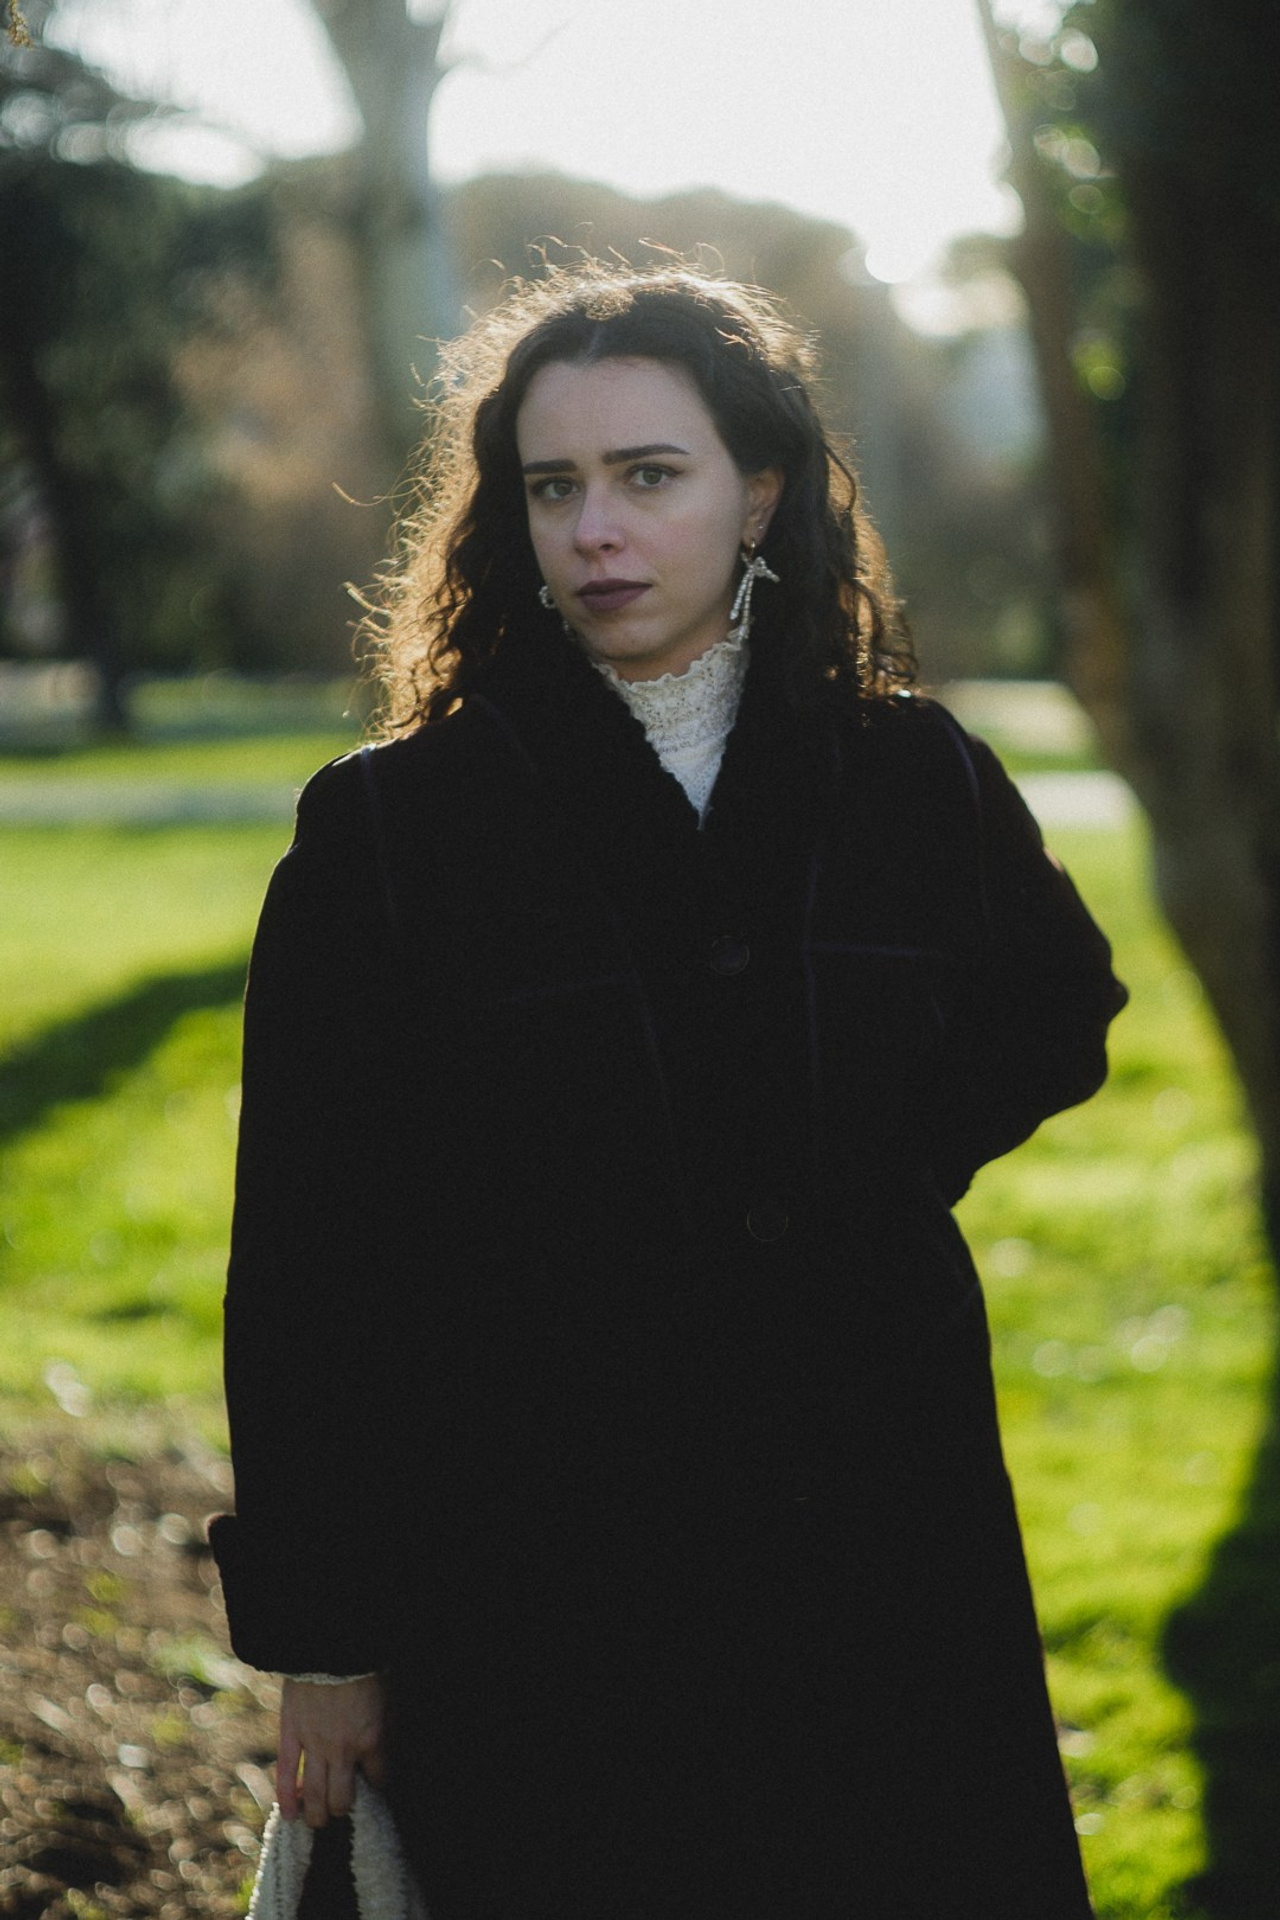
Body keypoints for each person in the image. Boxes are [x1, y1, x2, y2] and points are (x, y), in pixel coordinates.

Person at [210, 262, 1127, 1920]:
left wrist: (868, 1170)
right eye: (554, 487)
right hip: (539, 1570)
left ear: (759, 489)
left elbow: (1057, 1009)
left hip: (881, 1537)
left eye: (650, 476)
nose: (595, 533)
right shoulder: (393, 835)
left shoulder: (912, 777)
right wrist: (324, 1642)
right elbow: (306, 1257)